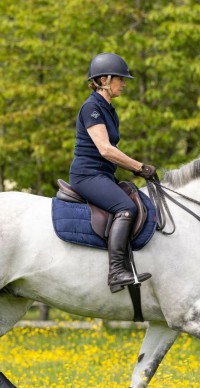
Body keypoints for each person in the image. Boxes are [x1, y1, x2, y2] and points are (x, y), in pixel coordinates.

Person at [69, 52, 157, 293]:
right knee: (125, 208)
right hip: (87, 175)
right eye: (120, 79)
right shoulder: (92, 108)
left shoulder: (108, 109)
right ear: (104, 79)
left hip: (103, 175)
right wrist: (139, 167)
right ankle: (117, 271)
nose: (124, 83)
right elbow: (106, 150)